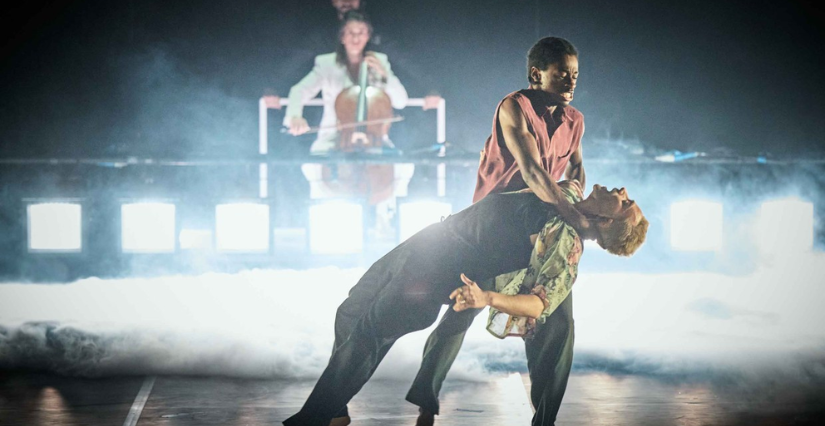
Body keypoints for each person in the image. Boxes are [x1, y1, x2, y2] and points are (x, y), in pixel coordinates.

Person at [282, 181, 649, 426]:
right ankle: (335, 414)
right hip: (427, 240)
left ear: (605, 221)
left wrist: (487, 297)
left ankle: (312, 418)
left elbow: (539, 305)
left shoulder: (564, 243)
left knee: (370, 333)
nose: (622, 190)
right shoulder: (566, 193)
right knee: (350, 311)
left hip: (439, 269)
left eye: (625, 202)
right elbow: (541, 163)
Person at [407, 36, 586, 425]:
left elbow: (576, 171)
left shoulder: (575, 121)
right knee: (460, 310)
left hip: (536, 231)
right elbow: (534, 172)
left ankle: (546, 418)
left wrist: (577, 206)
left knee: (558, 321)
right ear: (537, 74)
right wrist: (577, 217)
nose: (571, 82)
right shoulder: (514, 107)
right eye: (561, 74)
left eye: (574, 74)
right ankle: (426, 397)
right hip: (488, 230)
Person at [283, 11, 411, 208]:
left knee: (405, 167)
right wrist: (294, 116)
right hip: (334, 136)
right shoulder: (326, 63)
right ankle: (324, 209)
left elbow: (401, 101)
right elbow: (298, 90)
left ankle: (389, 213)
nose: (356, 38)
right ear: (342, 37)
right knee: (312, 166)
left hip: (374, 138)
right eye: (350, 32)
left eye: (361, 32)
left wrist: (385, 76)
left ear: (368, 36)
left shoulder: (380, 60)